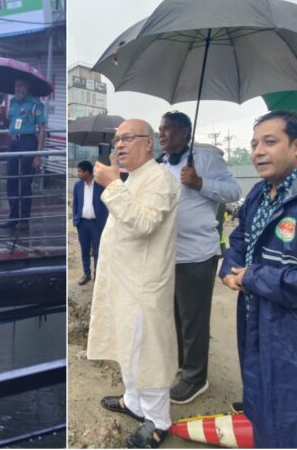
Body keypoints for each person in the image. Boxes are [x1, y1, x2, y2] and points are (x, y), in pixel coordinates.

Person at [219, 110, 297, 448]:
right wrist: (229, 269)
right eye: (253, 144)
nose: (258, 152)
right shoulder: (259, 195)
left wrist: (253, 277)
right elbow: (239, 240)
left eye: (270, 142)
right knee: (261, 405)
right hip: (256, 321)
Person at [87, 119, 180, 448]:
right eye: (117, 140)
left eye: (127, 138)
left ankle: (157, 419)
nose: (120, 145)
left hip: (143, 285)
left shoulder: (160, 178)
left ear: (149, 143)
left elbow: (144, 223)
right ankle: (134, 402)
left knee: (146, 351)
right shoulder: (134, 177)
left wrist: (113, 184)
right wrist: (118, 183)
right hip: (123, 281)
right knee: (126, 344)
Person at [156, 111, 241, 405]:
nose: (161, 134)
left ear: (185, 131)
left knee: (194, 319)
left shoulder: (206, 158)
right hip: (168, 255)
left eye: (168, 129)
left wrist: (200, 182)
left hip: (197, 255)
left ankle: (196, 378)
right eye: (160, 129)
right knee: (175, 315)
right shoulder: (161, 163)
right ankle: (182, 363)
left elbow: (234, 191)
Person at [0, 78, 46, 230]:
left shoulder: (35, 104)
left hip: (28, 142)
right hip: (13, 142)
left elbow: (42, 129)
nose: (18, 88)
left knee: (25, 182)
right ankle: (13, 217)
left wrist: (38, 155)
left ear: (27, 86)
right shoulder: (12, 103)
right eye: (16, 85)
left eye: (21, 85)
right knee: (11, 180)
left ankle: (24, 219)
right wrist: (1, 116)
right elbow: (9, 124)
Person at [72, 160, 108, 285]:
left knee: (98, 251)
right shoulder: (78, 185)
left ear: (87, 172)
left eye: (80, 171)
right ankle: (86, 273)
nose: (78, 173)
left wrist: (104, 220)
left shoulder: (100, 185)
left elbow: (106, 203)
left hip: (97, 224)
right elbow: (75, 203)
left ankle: (97, 275)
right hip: (82, 224)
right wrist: (76, 220)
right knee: (84, 250)